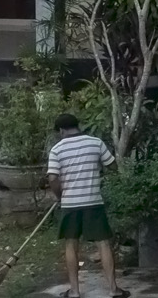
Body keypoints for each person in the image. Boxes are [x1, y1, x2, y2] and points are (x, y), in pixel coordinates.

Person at [46, 113, 123, 298]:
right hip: (93, 202)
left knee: (71, 244)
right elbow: (112, 167)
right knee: (103, 243)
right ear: (77, 125)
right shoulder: (95, 143)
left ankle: (74, 291)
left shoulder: (57, 149)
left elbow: (53, 178)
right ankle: (113, 289)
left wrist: (59, 195)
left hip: (70, 204)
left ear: (62, 130)